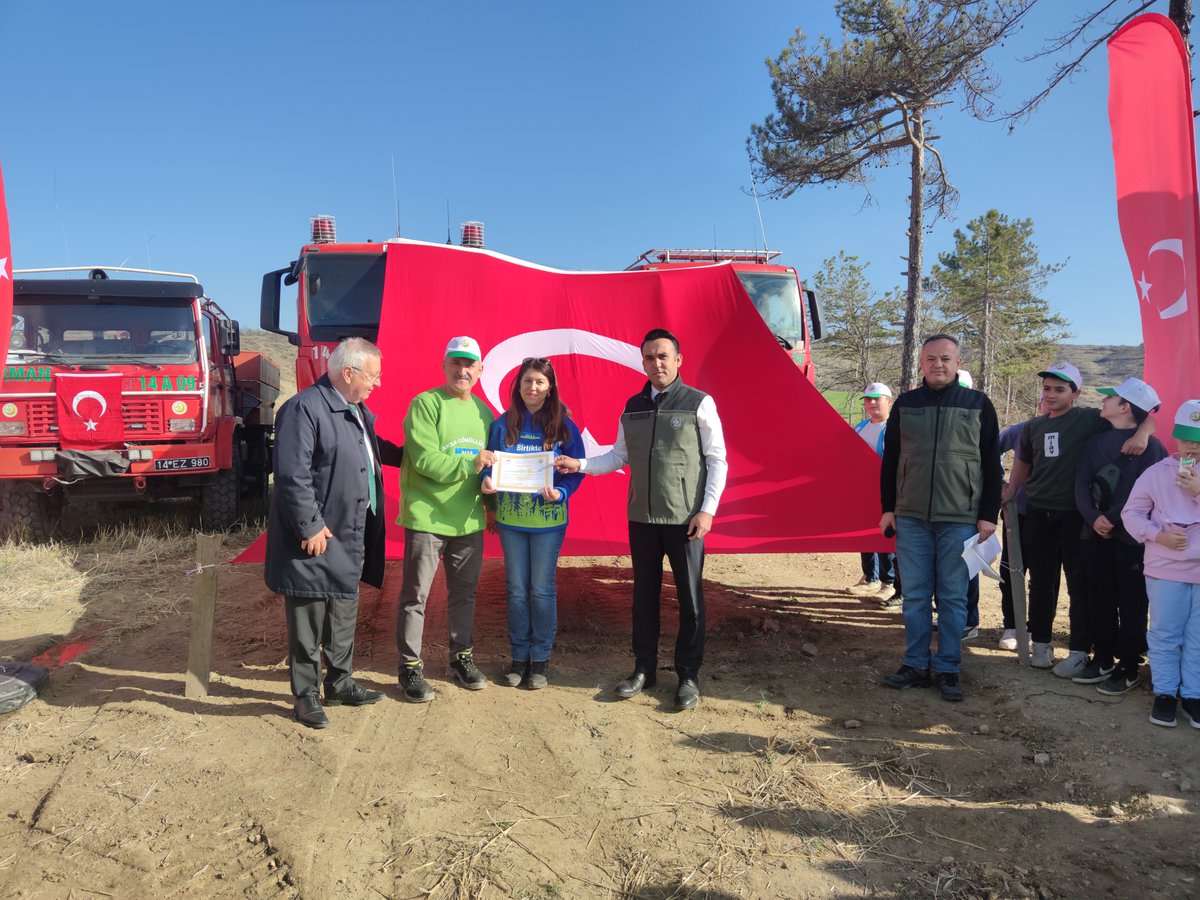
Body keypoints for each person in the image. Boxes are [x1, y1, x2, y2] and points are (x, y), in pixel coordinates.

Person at [555, 328, 728, 710]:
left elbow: (717, 459)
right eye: (649, 357)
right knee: (643, 599)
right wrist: (579, 464)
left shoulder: (699, 403)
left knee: (690, 601)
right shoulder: (632, 406)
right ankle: (644, 669)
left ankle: (688, 676)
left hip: (686, 521)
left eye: (663, 356)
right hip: (642, 520)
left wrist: (707, 510)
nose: (657, 363)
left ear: (678, 360)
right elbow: (617, 456)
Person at [264, 337, 404, 729]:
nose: (377, 383)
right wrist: (309, 525)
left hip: (348, 531)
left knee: (343, 609)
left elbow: (374, 450)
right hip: (315, 536)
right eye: (373, 376)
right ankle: (305, 695)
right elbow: (292, 474)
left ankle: (340, 683)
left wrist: (417, 457)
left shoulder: (355, 409)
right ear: (349, 372)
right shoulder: (303, 409)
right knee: (308, 616)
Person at [1001, 362, 1154, 675]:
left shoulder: (1088, 419)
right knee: (1041, 582)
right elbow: (1022, 465)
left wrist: (1145, 433)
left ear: (1076, 393)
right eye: (1047, 388)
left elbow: (1140, 415)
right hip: (1037, 514)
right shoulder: (1033, 427)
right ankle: (1041, 644)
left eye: (1060, 389)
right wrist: (1011, 492)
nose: (1052, 394)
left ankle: (1079, 649)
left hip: (1076, 516)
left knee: (1079, 584)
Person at [879, 334, 1002, 702]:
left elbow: (991, 465)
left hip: (960, 518)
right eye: (931, 358)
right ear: (921, 363)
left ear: (958, 361)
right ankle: (915, 663)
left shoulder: (979, 405)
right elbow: (891, 460)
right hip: (911, 516)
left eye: (945, 358)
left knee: (952, 597)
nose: (938, 364)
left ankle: (948, 668)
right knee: (915, 596)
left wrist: (988, 515)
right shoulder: (906, 404)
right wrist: (888, 508)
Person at [394, 336, 496, 702]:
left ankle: (461, 658)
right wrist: (471, 463)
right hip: (427, 517)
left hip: (469, 521)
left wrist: (494, 504)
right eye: (456, 362)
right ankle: (409, 667)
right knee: (415, 596)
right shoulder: (425, 404)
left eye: (470, 364)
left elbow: (493, 469)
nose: (462, 370)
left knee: (464, 595)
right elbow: (424, 460)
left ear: (480, 370)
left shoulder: (486, 414)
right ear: (445, 365)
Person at [481, 358, 585, 689]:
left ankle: (539, 662)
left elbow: (577, 469)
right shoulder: (502, 424)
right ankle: (518, 658)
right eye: (527, 381)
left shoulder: (564, 426)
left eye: (540, 382)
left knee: (540, 591)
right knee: (515, 590)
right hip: (511, 520)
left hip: (548, 522)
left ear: (550, 387)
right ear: (518, 386)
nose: (533, 388)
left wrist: (562, 492)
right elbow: (489, 464)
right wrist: (487, 483)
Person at [1073, 378, 1166, 695]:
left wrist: (1109, 518)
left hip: (1131, 540)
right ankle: (1102, 658)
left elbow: (1146, 494)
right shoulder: (1096, 440)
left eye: (1110, 398)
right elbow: (1081, 483)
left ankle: (1128, 664)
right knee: (1099, 596)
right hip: (1094, 533)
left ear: (1125, 406)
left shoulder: (1152, 448)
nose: (1103, 401)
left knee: (1131, 602)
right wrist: (1092, 517)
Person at [1121, 399, 1200, 728]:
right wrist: (1158, 535)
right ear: (1174, 438)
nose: (1192, 446)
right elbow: (1131, 514)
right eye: (1186, 437)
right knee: (1166, 632)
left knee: (1197, 635)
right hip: (1165, 567)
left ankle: (1193, 695)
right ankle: (1166, 693)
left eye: (1198, 438)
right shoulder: (1156, 474)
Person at [849, 383, 900, 606]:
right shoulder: (860, 427)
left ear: (889, 401)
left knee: (884, 535)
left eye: (876, 399)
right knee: (864, 534)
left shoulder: (894, 429)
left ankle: (888, 583)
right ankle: (870, 577)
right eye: (868, 399)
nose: (871, 403)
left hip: (886, 492)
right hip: (862, 492)